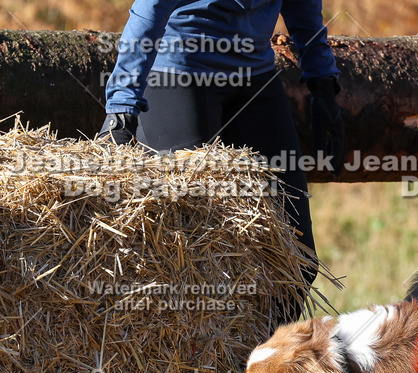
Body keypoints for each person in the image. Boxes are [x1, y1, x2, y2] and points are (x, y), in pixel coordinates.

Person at [101, 0, 347, 323]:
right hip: (180, 68)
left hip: (254, 73)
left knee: (296, 259)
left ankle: (257, 367)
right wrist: (122, 105)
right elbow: (150, 8)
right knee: (191, 259)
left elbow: (301, 5)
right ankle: (194, 368)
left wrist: (322, 82)